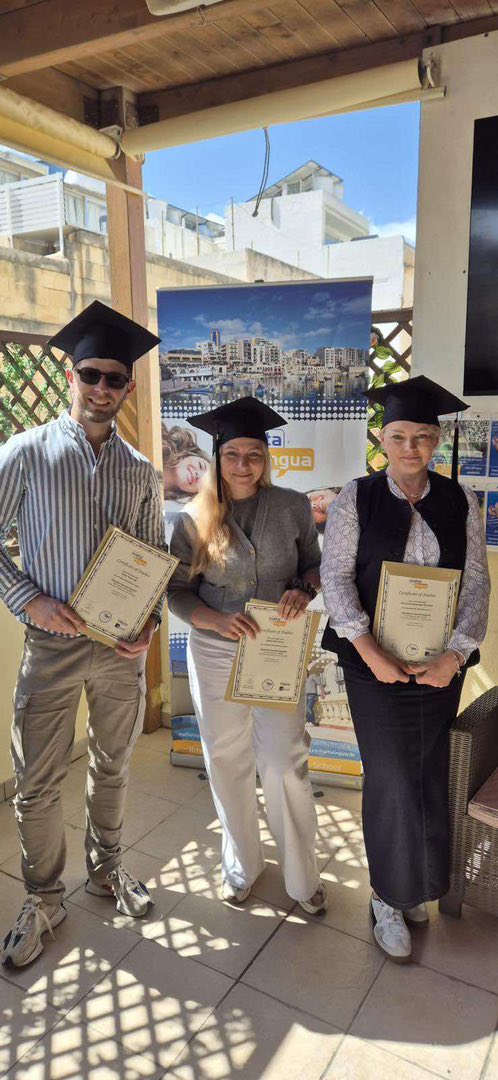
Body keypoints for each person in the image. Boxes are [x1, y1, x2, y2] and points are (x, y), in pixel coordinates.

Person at [0, 300, 167, 968]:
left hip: (119, 653)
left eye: (114, 379)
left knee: (113, 764)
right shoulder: (25, 455)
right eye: (90, 374)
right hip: (52, 647)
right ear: (71, 375)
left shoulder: (142, 471)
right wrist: (28, 598)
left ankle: (107, 869)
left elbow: (154, 556)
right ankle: (43, 897)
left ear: (128, 387)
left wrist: (149, 622)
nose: (101, 388)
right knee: (37, 782)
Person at [321, 375, 490, 963]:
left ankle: (415, 886)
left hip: (439, 667)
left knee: (428, 774)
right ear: (381, 439)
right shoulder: (356, 498)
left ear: (437, 440)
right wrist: (371, 653)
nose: (410, 447)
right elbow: (336, 579)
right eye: (398, 436)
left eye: (422, 436)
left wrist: (455, 656)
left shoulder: (461, 501)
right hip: (373, 665)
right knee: (391, 777)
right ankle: (386, 897)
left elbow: (475, 583)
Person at [168, 396, 327, 913]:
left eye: (254, 454)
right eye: (233, 454)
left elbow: (313, 566)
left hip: (276, 651)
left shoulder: (293, 506)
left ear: (266, 457)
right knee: (226, 760)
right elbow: (175, 590)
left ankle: (303, 877)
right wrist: (214, 619)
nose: (243, 464)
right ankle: (241, 865)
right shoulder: (193, 517)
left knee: (283, 761)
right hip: (215, 651)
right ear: (218, 457)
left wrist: (304, 588)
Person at [162, 422, 210, 500]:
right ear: (188, 454)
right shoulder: (156, 433)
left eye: (204, 482)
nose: (198, 475)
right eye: (201, 465)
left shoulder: (155, 502)